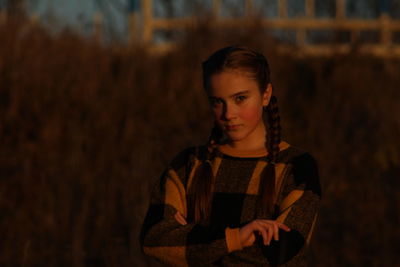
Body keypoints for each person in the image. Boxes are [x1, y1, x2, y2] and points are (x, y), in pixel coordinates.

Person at [140, 46, 321, 266]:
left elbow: (284, 254)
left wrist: (191, 244)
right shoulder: (188, 164)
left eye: (240, 98)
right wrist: (238, 237)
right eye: (217, 102)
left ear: (266, 95)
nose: (228, 114)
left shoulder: (296, 166)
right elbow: (154, 240)